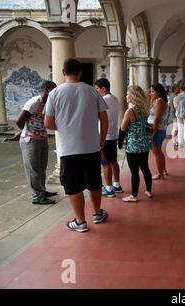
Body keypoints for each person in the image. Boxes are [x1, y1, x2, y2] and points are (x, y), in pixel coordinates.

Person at [44, 58, 109, 233]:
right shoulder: (92, 91)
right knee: (94, 182)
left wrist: (64, 127)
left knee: (73, 185)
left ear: (63, 72)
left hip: (68, 149)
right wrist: (102, 138)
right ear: (81, 72)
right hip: (91, 147)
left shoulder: (54, 94)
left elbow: (48, 123)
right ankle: (97, 213)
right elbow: (104, 118)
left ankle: (80, 221)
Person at [16, 80, 57, 205]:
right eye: (53, 90)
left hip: (42, 138)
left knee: (41, 168)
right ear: (47, 90)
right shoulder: (34, 102)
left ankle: (42, 191)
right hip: (30, 140)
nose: (56, 92)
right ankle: (37, 196)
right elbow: (19, 121)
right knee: (33, 169)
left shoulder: (49, 104)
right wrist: (25, 132)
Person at [119, 86, 153, 202]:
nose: (126, 96)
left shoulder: (130, 111)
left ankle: (134, 196)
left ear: (133, 96)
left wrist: (119, 144)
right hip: (144, 144)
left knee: (134, 172)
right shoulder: (144, 109)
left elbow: (123, 128)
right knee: (145, 169)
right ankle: (148, 191)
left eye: (128, 94)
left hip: (133, 147)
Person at [94, 78, 123, 198]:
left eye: (97, 89)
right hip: (113, 135)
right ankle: (117, 185)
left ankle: (109, 188)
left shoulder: (103, 100)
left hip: (105, 136)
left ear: (103, 89)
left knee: (105, 163)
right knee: (113, 161)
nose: (96, 92)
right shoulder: (115, 99)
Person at [147, 83, 170, 180]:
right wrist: (152, 100)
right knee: (159, 152)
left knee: (156, 152)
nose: (150, 93)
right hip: (159, 129)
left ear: (158, 92)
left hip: (157, 129)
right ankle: (164, 170)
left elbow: (156, 119)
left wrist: (153, 132)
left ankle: (160, 173)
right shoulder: (158, 101)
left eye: (152, 91)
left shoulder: (159, 102)